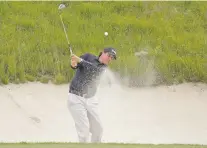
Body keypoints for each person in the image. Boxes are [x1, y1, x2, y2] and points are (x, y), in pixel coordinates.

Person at [67, 47, 117, 143]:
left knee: (98, 129)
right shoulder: (88, 56)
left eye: (112, 58)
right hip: (76, 98)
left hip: (91, 100)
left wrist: (80, 60)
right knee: (84, 132)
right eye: (109, 55)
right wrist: (73, 64)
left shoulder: (103, 68)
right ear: (102, 52)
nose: (110, 59)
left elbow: (92, 69)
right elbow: (76, 64)